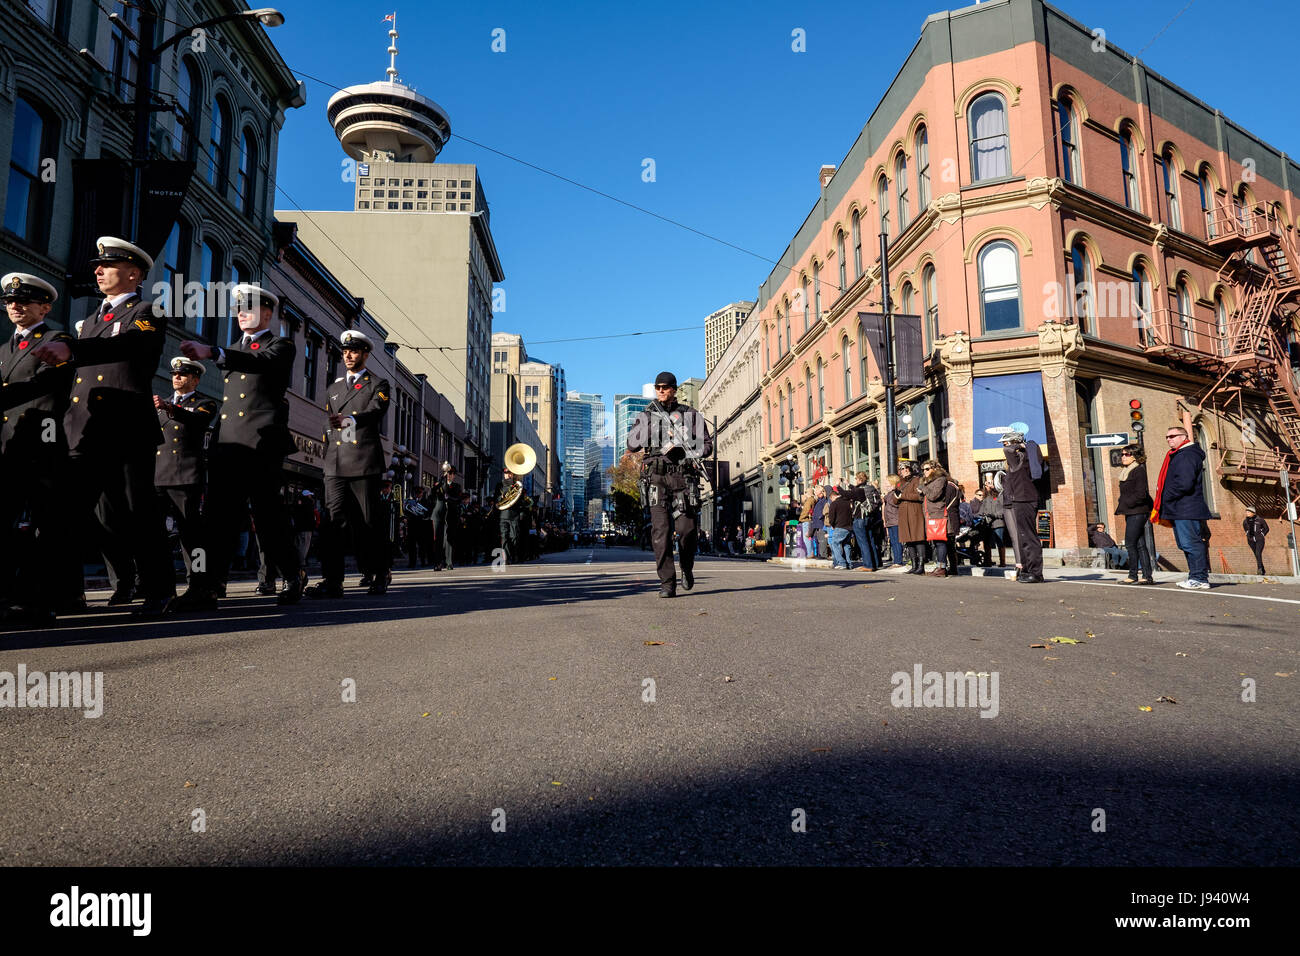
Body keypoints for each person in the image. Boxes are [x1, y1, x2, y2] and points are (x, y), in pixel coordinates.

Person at [32, 237, 172, 616]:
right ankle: (57, 596)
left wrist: (73, 349)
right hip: (85, 430)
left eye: (106, 266)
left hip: (126, 430)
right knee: (68, 514)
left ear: (133, 273)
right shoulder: (91, 320)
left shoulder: (148, 312)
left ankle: (159, 589)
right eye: (97, 265)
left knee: (138, 511)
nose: (97, 270)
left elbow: (129, 346)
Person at [168, 283, 302, 610]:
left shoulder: (280, 346)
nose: (241, 313)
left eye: (250, 308)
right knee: (216, 520)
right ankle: (206, 585)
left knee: (269, 517)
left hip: (260, 446)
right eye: (238, 308)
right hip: (227, 444)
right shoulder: (234, 348)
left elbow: (260, 364)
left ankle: (292, 574)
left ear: (268, 314)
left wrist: (215, 353)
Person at [0, 273, 78, 623]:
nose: (15, 306)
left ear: (45, 306)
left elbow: (44, 384)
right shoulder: (5, 348)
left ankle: (38, 600)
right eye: (10, 301)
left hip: (41, 446)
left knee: (40, 526)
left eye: (25, 301)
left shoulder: (57, 340)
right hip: (8, 447)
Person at [307, 329, 391, 599]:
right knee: (333, 523)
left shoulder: (378, 384)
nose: (348, 356)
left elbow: (375, 412)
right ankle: (333, 581)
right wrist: (330, 431)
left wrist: (349, 420)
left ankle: (379, 572)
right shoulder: (333, 388)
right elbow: (331, 421)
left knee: (367, 522)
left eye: (354, 351)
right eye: (345, 352)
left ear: (366, 354)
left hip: (364, 462)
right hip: (335, 463)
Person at [626, 370, 713, 597]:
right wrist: (647, 424)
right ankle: (667, 582)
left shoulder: (691, 415)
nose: (661, 391)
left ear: (674, 390)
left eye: (665, 387)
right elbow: (632, 444)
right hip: (656, 478)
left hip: (683, 477)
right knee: (661, 533)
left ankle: (686, 566)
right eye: (658, 388)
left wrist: (685, 448)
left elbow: (707, 446)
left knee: (687, 530)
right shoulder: (646, 415)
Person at [153, 356, 219, 595]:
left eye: (182, 374)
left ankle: (199, 583)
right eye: (174, 374)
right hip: (160, 474)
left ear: (195, 379)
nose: (176, 377)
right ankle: (157, 584)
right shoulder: (162, 403)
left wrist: (170, 408)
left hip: (186, 476)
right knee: (154, 532)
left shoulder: (205, 403)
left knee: (191, 536)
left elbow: (199, 420)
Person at [1151, 425, 1212, 590]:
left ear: (1183, 437)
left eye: (1172, 436)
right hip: (1180, 508)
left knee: (1191, 543)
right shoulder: (1178, 454)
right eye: (1167, 437)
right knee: (1185, 544)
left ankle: (1200, 578)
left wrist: (1166, 496)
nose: (1169, 439)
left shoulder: (1187, 455)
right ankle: (1195, 577)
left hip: (1187, 508)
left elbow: (1184, 483)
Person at [1001, 431, 1044, 583]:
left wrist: (1017, 445)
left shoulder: (1020, 457)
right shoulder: (1024, 456)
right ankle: (1026, 570)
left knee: (1029, 537)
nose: (1004, 446)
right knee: (1023, 537)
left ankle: (1036, 573)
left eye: (1006, 442)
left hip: (1025, 499)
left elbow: (1008, 450)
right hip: (1021, 499)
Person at [1114, 445, 1155, 584]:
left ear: (1135, 456)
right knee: (1140, 544)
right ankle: (1147, 577)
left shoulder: (1138, 470)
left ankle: (1132, 576)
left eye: (1127, 454)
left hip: (1138, 511)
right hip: (1132, 511)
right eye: (1122, 454)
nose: (1123, 456)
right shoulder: (1127, 471)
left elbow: (1141, 494)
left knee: (1130, 544)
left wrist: (1127, 503)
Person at [921, 461, 960, 577]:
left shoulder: (940, 480)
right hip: (934, 515)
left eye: (927, 469)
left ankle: (941, 568)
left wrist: (923, 488)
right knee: (944, 542)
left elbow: (934, 496)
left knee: (940, 542)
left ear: (934, 469)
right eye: (923, 469)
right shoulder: (930, 481)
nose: (924, 471)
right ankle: (949, 567)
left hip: (940, 516)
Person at [842, 471, 881, 571]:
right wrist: (848, 484)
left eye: (856, 478)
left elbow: (845, 493)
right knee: (870, 540)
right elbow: (855, 490)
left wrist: (838, 485)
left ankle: (868, 565)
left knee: (863, 542)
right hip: (869, 517)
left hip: (860, 518)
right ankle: (875, 563)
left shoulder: (859, 490)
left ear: (859, 479)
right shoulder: (870, 488)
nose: (855, 480)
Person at [895, 461, 927, 574]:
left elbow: (919, 496)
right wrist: (896, 495)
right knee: (908, 540)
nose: (903, 471)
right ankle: (914, 565)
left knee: (918, 539)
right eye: (901, 469)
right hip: (903, 514)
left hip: (914, 512)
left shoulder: (916, 480)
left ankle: (921, 566)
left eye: (905, 468)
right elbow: (895, 500)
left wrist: (902, 495)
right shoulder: (899, 483)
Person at [970, 478, 1006, 567]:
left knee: (1000, 542)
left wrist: (994, 515)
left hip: (998, 523)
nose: (987, 486)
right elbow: (981, 511)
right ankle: (988, 561)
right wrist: (976, 516)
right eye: (986, 485)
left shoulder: (1000, 496)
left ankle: (1002, 562)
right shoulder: (986, 498)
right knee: (987, 542)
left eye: (989, 484)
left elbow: (1003, 511)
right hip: (987, 524)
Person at [497, 465, 525, 564]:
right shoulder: (499, 486)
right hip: (503, 515)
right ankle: (506, 558)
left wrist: (521, 513)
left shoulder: (517, 486)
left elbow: (522, 502)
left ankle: (513, 554)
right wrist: (501, 498)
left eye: (509, 473)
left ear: (512, 474)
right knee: (504, 537)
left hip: (514, 515)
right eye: (506, 474)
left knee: (514, 537)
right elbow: (496, 501)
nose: (508, 475)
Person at [825, 484, 854, 569]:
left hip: (840, 526)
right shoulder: (848, 502)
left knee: (834, 543)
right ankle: (849, 563)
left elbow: (831, 517)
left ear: (832, 497)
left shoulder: (834, 504)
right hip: (849, 526)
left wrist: (832, 525)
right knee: (846, 544)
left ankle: (841, 563)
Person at [881, 473, 903, 568]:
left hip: (895, 520)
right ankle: (896, 560)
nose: (886, 485)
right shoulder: (889, 495)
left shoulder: (895, 493)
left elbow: (896, 503)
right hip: (890, 521)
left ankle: (898, 561)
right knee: (893, 542)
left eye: (888, 483)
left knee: (896, 541)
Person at [1244, 506, 1268, 575]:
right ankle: (1262, 569)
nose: (1247, 513)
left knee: (1258, 553)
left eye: (1248, 512)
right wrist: (1247, 534)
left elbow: (1266, 528)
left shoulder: (1260, 520)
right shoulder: (1245, 521)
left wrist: (1262, 534)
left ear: (1253, 513)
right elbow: (1245, 529)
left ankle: (1259, 569)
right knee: (1257, 554)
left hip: (1259, 540)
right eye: (1246, 512)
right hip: (1250, 540)